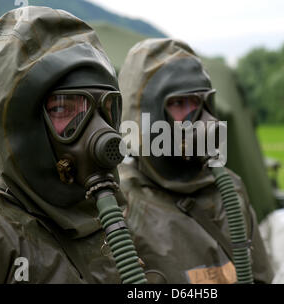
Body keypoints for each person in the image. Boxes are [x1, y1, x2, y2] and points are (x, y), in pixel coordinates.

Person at [0, 6, 141, 283]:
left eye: (105, 108)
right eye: (65, 108)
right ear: (21, 122)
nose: (99, 131)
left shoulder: (105, 217)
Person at [117, 38, 274, 284]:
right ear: (144, 114)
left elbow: (261, 277)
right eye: (179, 103)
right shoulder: (119, 205)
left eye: (198, 102)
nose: (198, 118)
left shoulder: (229, 191)